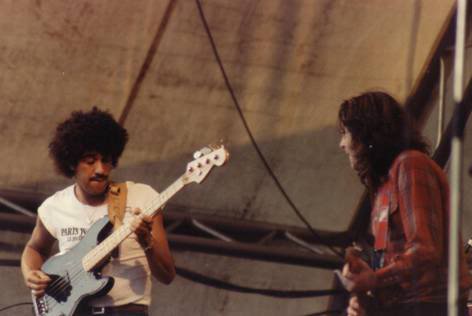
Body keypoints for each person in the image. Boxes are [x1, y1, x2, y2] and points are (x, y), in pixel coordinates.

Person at [21, 107, 176, 315]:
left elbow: (167, 275)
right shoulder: (54, 207)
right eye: (90, 160)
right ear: (71, 162)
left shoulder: (143, 198)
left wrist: (146, 240)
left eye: (106, 160)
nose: (101, 169)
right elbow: (35, 248)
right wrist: (31, 273)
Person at [337, 92, 470, 316]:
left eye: (345, 133)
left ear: (367, 134)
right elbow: (390, 258)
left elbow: (426, 251)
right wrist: (369, 300)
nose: (342, 144)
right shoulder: (383, 186)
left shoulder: (410, 164)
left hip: (430, 306)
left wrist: (374, 279)